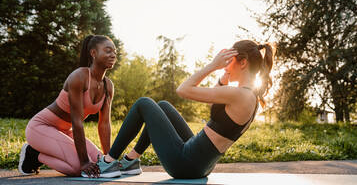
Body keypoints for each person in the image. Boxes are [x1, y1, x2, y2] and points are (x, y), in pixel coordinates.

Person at [92, 39, 275, 179]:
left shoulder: (240, 94)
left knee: (144, 103)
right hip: (201, 165)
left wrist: (213, 65)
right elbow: (216, 111)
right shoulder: (248, 96)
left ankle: (108, 163)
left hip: (185, 164)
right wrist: (221, 79)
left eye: (230, 60)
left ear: (242, 63)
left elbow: (183, 90)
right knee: (162, 106)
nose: (226, 65)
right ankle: (131, 161)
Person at [18, 35, 118, 178]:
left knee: (98, 163)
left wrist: (109, 158)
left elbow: (104, 124)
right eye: (108, 50)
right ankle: (33, 153)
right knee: (80, 168)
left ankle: (45, 152)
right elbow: (77, 121)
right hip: (41, 127)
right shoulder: (79, 77)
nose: (113, 54)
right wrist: (84, 162)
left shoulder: (108, 86)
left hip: (66, 131)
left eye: (115, 51)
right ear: (93, 53)